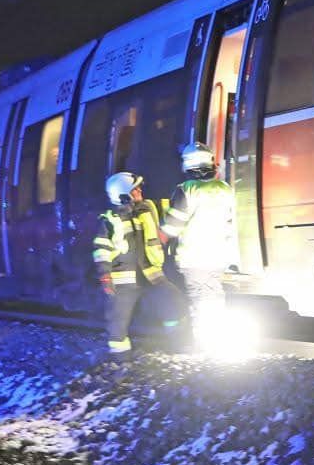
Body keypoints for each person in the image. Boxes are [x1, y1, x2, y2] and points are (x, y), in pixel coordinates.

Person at [92, 171, 179, 356]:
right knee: (118, 320)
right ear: (123, 195)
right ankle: (120, 357)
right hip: (124, 281)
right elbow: (101, 249)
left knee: (172, 300)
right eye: (135, 189)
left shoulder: (147, 208)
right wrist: (105, 275)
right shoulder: (110, 219)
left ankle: (177, 344)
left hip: (152, 274)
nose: (140, 190)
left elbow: (171, 212)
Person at [162, 148, 237, 343]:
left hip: (194, 256)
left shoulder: (187, 189)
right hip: (219, 254)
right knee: (214, 294)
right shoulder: (224, 188)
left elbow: (172, 226)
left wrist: (157, 241)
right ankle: (216, 338)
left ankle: (207, 342)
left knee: (201, 299)